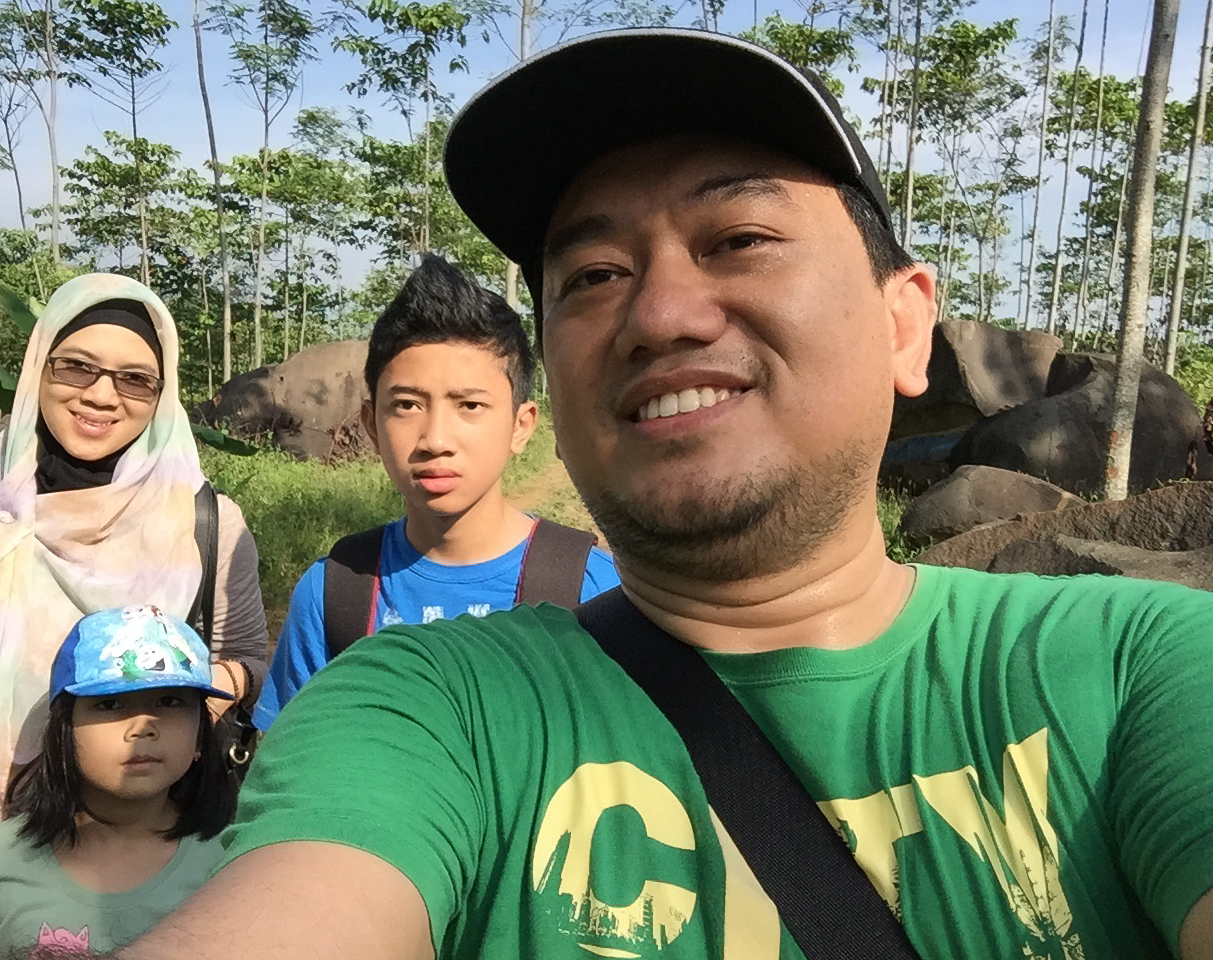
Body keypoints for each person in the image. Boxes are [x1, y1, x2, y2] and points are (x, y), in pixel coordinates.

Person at [91, 27, 1213, 960]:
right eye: (592, 276)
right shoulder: (426, 706)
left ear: (904, 323)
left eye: (740, 238)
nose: (660, 314)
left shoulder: (1138, 668)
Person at [0, 273, 267, 960]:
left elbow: (247, 658)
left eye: (135, 379)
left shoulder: (205, 523)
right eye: (77, 367)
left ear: (162, 393)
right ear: (38, 366)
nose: (102, 395)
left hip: (158, 857)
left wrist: (172, 702)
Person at [252, 254, 618, 730]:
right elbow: (293, 758)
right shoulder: (334, 593)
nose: (435, 440)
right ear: (371, 424)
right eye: (407, 405)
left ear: (521, 425)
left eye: (470, 405)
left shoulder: (593, 590)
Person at [0, 605, 239, 959]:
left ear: (200, 738)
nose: (142, 727)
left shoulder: (234, 862)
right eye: (110, 704)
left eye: (169, 701)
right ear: (64, 732)